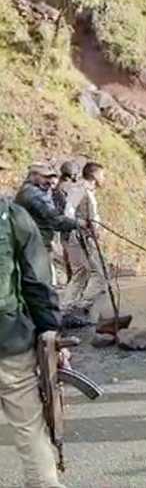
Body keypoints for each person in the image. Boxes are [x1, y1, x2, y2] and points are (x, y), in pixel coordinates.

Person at [0, 160, 66, 487]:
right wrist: (51, 331)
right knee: (29, 430)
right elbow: (38, 284)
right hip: (10, 340)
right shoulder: (13, 217)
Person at [15, 163, 82, 286]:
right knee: (42, 285)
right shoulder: (35, 194)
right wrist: (79, 224)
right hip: (36, 244)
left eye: (51, 177)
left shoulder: (29, 191)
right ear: (33, 176)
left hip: (31, 241)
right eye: (45, 177)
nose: (49, 180)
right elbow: (55, 220)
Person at [61, 162, 107, 314]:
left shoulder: (87, 191)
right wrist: (82, 224)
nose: (104, 178)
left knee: (83, 273)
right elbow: (68, 211)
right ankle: (79, 306)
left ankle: (70, 307)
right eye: (102, 174)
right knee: (96, 274)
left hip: (85, 236)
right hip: (80, 236)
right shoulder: (80, 189)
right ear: (94, 175)